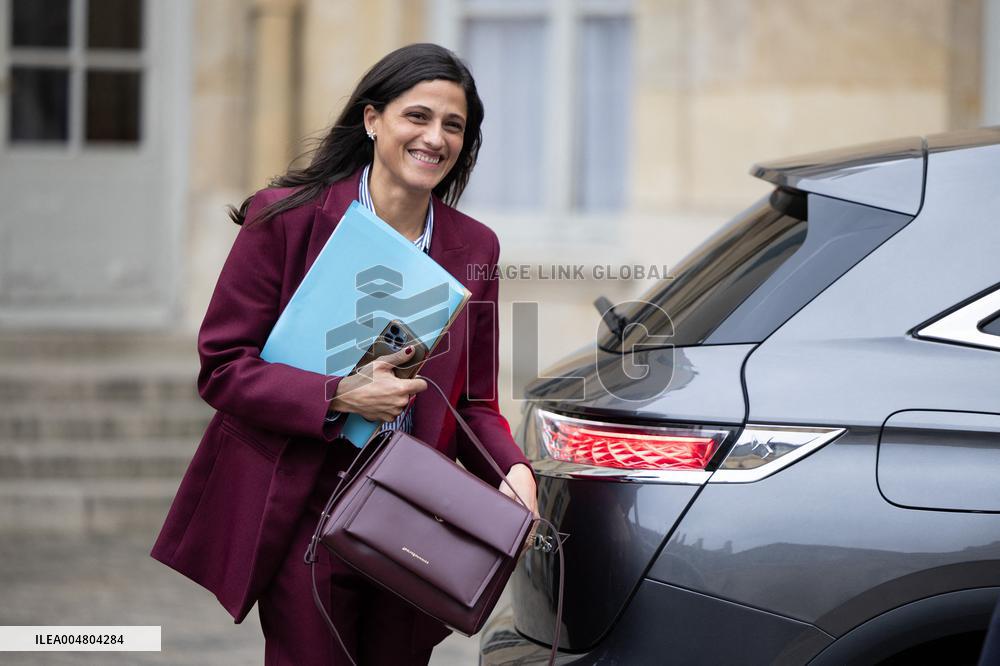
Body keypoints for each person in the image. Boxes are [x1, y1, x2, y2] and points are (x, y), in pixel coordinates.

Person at [151, 43, 539, 665]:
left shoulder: (475, 246)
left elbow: (473, 401)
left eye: (453, 125)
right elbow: (223, 367)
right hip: (306, 505)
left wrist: (510, 469)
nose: (435, 137)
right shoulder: (284, 218)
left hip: (412, 513)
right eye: (417, 116)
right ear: (372, 119)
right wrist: (339, 395)